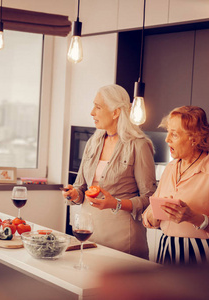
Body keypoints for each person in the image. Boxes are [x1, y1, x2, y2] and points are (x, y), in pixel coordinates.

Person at [62, 84, 157, 259]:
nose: (92, 112)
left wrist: (116, 203)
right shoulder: (93, 142)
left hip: (123, 239)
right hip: (89, 233)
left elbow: (149, 197)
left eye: (98, 107)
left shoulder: (139, 145)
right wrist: (75, 194)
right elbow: (81, 187)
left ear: (116, 112)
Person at [142, 106, 209, 264]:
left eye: (174, 134)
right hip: (167, 249)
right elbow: (148, 215)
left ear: (194, 138)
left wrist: (195, 218)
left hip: (204, 255)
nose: (167, 139)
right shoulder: (171, 167)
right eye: (168, 132)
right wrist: (153, 214)